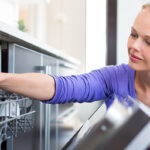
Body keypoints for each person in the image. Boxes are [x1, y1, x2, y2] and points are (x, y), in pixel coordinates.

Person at [0, 3, 150, 108]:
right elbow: (61, 87)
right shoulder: (115, 77)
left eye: (148, 43)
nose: (134, 46)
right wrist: (2, 78)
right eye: (133, 34)